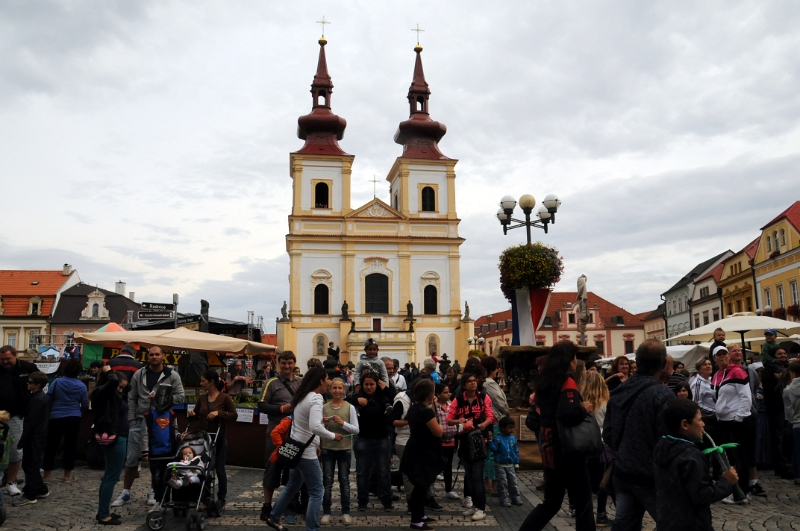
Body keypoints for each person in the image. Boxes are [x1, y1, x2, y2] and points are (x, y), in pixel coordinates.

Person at [518, 342, 594, 531]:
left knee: (551, 502)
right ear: (570, 360)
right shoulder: (567, 381)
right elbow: (568, 413)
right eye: (575, 358)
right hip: (568, 451)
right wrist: (584, 409)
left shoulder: (545, 382)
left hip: (550, 450)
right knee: (583, 502)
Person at [602, 339, 674, 531]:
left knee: (624, 524)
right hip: (652, 476)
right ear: (662, 364)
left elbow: (607, 433)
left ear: (638, 361)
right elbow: (671, 440)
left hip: (624, 471)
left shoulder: (618, 392)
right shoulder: (663, 395)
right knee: (673, 523)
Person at [265, 368, 342, 531]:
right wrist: (332, 435)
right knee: (317, 491)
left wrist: (316, 443)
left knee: (293, 485)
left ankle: (273, 517)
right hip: (305, 454)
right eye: (327, 379)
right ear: (320, 380)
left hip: (297, 449)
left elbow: (303, 423)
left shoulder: (303, 396)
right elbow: (314, 426)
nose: (328, 382)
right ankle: (312, 528)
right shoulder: (316, 398)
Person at [111, 346, 185, 508]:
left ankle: (154, 491)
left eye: (157, 354)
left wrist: (161, 398)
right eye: (151, 354)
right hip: (139, 421)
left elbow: (181, 397)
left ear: (163, 356)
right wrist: (131, 421)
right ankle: (125, 491)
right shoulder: (140, 374)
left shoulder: (172, 375)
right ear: (148, 357)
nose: (154, 357)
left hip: (162, 422)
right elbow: (131, 398)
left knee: (159, 459)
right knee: (131, 459)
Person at [653, 398, 738, 531]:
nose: (703, 424)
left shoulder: (662, 446)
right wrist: (727, 481)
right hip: (692, 524)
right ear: (685, 424)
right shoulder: (691, 457)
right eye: (699, 420)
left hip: (668, 522)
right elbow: (703, 494)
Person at [257, 351, 301, 521]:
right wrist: (280, 409)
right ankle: (267, 505)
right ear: (278, 364)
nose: (287, 366)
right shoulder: (271, 383)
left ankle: (290, 506)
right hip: (275, 432)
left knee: (293, 469)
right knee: (272, 467)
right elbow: (261, 405)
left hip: (294, 432)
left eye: (290, 363)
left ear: (294, 363)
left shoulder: (300, 383)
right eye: (283, 363)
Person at [447, 371, 494, 522]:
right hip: (464, 441)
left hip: (479, 442)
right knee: (469, 476)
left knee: (477, 476)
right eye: (469, 381)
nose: (473, 383)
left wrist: (484, 425)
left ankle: (481, 508)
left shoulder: (483, 398)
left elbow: (490, 416)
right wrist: (458, 421)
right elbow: (449, 419)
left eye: (474, 380)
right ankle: (474, 505)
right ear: (464, 385)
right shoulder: (458, 400)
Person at [346, 371, 396, 511]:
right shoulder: (358, 396)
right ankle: (362, 501)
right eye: (366, 384)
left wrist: (385, 387)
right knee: (362, 472)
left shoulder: (384, 397)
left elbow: (395, 397)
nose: (369, 387)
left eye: (372, 384)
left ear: (377, 384)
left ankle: (387, 501)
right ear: (362, 385)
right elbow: (345, 402)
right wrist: (357, 401)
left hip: (382, 438)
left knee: (383, 471)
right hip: (363, 439)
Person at [187, 370, 237, 507]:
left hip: (219, 437)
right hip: (204, 439)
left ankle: (221, 498)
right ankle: (205, 497)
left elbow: (233, 415)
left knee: (219, 469)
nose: (201, 383)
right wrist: (192, 414)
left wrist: (219, 413)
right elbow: (196, 415)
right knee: (204, 468)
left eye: (203, 381)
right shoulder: (202, 398)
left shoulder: (225, 398)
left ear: (211, 382)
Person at [710, 345, 752, 503]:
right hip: (724, 421)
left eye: (724, 354)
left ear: (728, 356)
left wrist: (739, 417)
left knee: (740, 457)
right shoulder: (717, 375)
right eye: (718, 355)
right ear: (714, 358)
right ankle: (735, 490)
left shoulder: (737, 372)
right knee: (731, 458)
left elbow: (746, 397)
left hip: (737, 421)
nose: (722, 357)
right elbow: (718, 396)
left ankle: (741, 493)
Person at [400, 379, 443, 530]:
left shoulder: (414, 408)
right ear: (430, 394)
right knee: (420, 486)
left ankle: (420, 514)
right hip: (422, 453)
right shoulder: (425, 412)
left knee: (421, 486)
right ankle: (416, 520)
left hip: (415, 449)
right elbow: (437, 431)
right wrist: (442, 426)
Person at [92, 365, 129, 525]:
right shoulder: (103, 392)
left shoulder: (108, 394)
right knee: (111, 477)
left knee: (108, 475)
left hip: (116, 436)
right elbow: (113, 381)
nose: (121, 390)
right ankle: (103, 515)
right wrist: (109, 371)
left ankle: (103, 511)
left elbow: (122, 386)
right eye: (119, 387)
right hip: (115, 437)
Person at [0, 345, 39, 498]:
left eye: (8, 359)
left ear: (15, 356)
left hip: (18, 415)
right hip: (0, 415)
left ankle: (11, 482)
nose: (5, 362)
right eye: (2, 359)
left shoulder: (28, 368)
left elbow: (40, 384)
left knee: (16, 449)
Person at [320, 377, 359, 526]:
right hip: (328, 448)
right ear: (330, 390)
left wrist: (343, 423)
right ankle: (327, 512)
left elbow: (356, 430)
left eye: (339, 388)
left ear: (344, 390)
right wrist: (324, 425)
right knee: (327, 481)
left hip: (344, 448)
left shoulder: (349, 407)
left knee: (344, 481)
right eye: (334, 388)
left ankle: (346, 512)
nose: (337, 391)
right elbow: (319, 430)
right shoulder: (324, 407)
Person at [42, 359, 88, 483]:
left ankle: (47, 475)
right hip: (74, 417)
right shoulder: (82, 386)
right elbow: (84, 403)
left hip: (56, 417)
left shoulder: (57, 382)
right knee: (70, 446)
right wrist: (78, 412)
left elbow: (48, 398)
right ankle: (67, 475)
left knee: (51, 446)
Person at [12, 370, 49, 507]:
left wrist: (22, 442)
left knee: (30, 465)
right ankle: (40, 489)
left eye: (30, 382)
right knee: (31, 464)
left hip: (34, 436)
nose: (27, 384)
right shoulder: (39, 397)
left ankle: (30, 494)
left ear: (37, 385)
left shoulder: (37, 400)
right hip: (37, 435)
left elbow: (30, 423)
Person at [580, 371, 611, 527]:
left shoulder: (583, 403)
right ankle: (601, 513)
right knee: (602, 482)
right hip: (602, 443)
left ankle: (584, 513)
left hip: (586, 442)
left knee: (587, 480)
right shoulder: (606, 403)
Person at [480, 356, 508, 497]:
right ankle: (491, 484)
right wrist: (506, 410)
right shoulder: (489, 383)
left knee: (492, 453)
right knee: (492, 454)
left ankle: (492, 483)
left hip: (494, 419)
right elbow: (500, 402)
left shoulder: (489, 383)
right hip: (496, 420)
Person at [763, 347, 790, 477]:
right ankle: (780, 467)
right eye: (779, 354)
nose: (783, 355)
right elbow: (768, 389)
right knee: (778, 438)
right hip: (776, 408)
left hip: (788, 408)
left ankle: (787, 463)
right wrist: (780, 382)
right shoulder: (769, 369)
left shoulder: (789, 368)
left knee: (786, 436)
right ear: (774, 356)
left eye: (784, 353)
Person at [488, 416, 521, 508]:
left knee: (513, 482)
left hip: (510, 464)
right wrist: (490, 442)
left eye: (512, 428)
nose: (511, 430)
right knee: (502, 483)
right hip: (500, 464)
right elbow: (494, 450)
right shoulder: (498, 438)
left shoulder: (512, 439)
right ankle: (504, 499)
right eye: (509, 428)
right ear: (503, 428)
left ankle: (515, 498)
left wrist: (516, 463)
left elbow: (516, 451)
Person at [434, 383, 459, 500]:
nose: (449, 394)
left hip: (451, 440)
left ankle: (448, 489)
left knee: (448, 466)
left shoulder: (451, 405)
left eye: (449, 392)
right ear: (438, 394)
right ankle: (430, 489)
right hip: (439, 441)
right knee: (436, 465)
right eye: (445, 392)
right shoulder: (434, 406)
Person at [782, 361, 800, 485]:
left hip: (796, 422)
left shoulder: (789, 389)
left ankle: (798, 475)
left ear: (792, 373)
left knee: (797, 452)